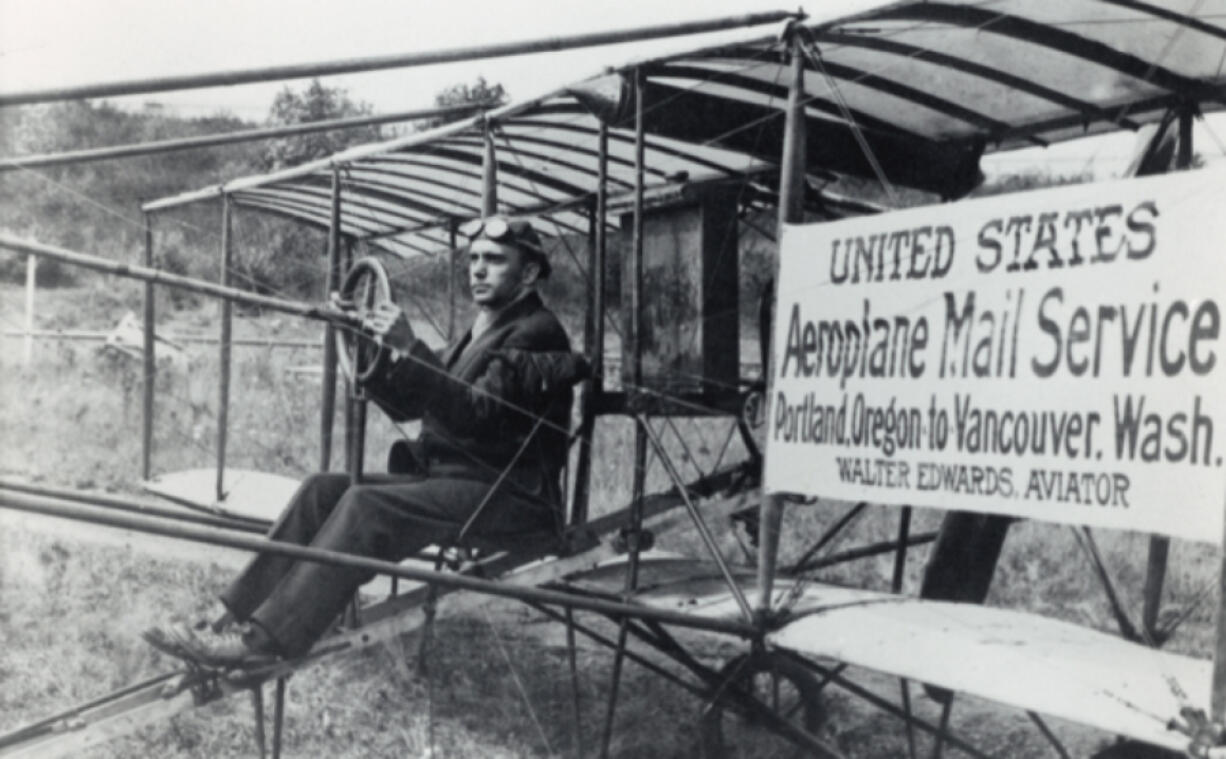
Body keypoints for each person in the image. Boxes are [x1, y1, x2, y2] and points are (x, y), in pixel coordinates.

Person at [145, 216, 589, 668]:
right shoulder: (487, 327)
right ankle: (222, 617)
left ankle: (263, 643)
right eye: (474, 259)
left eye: (494, 260)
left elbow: (476, 413)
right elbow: (412, 405)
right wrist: (364, 341)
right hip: (462, 481)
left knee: (365, 505)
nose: (477, 270)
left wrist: (411, 346)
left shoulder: (536, 330)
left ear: (529, 273)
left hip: (510, 494)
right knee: (324, 489)